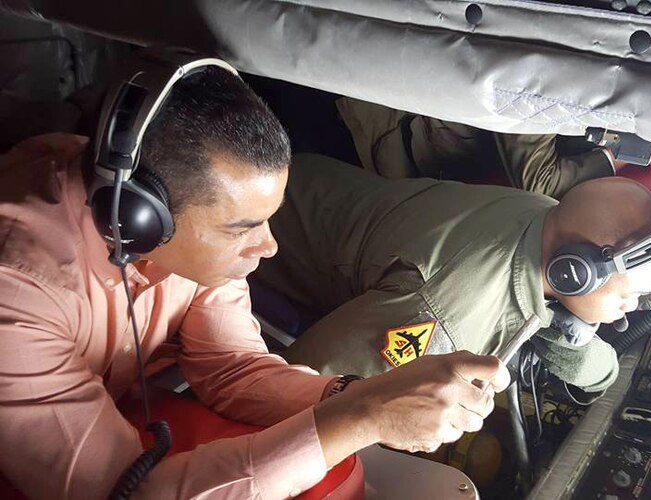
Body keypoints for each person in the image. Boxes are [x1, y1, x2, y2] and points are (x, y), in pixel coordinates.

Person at [0, 55, 509, 499]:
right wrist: (363, 416)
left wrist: (354, 394)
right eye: (241, 228)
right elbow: (126, 491)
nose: (269, 247)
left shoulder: (188, 238)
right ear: (139, 216)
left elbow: (230, 367)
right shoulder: (17, 287)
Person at [254, 151, 651, 393]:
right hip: (264, 219)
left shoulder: (545, 214)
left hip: (301, 175)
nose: (631, 307)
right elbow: (302, 391)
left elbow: (600, 373)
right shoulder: (445, 317)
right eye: (627, 295)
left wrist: (577, 331)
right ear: (574, 272)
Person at [336, 97, 651, 199]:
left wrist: (616, 139)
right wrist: (620, 151)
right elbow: (538, 182)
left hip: (423, 145)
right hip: (383, 126)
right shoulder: (558, 72)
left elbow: (570, 123)